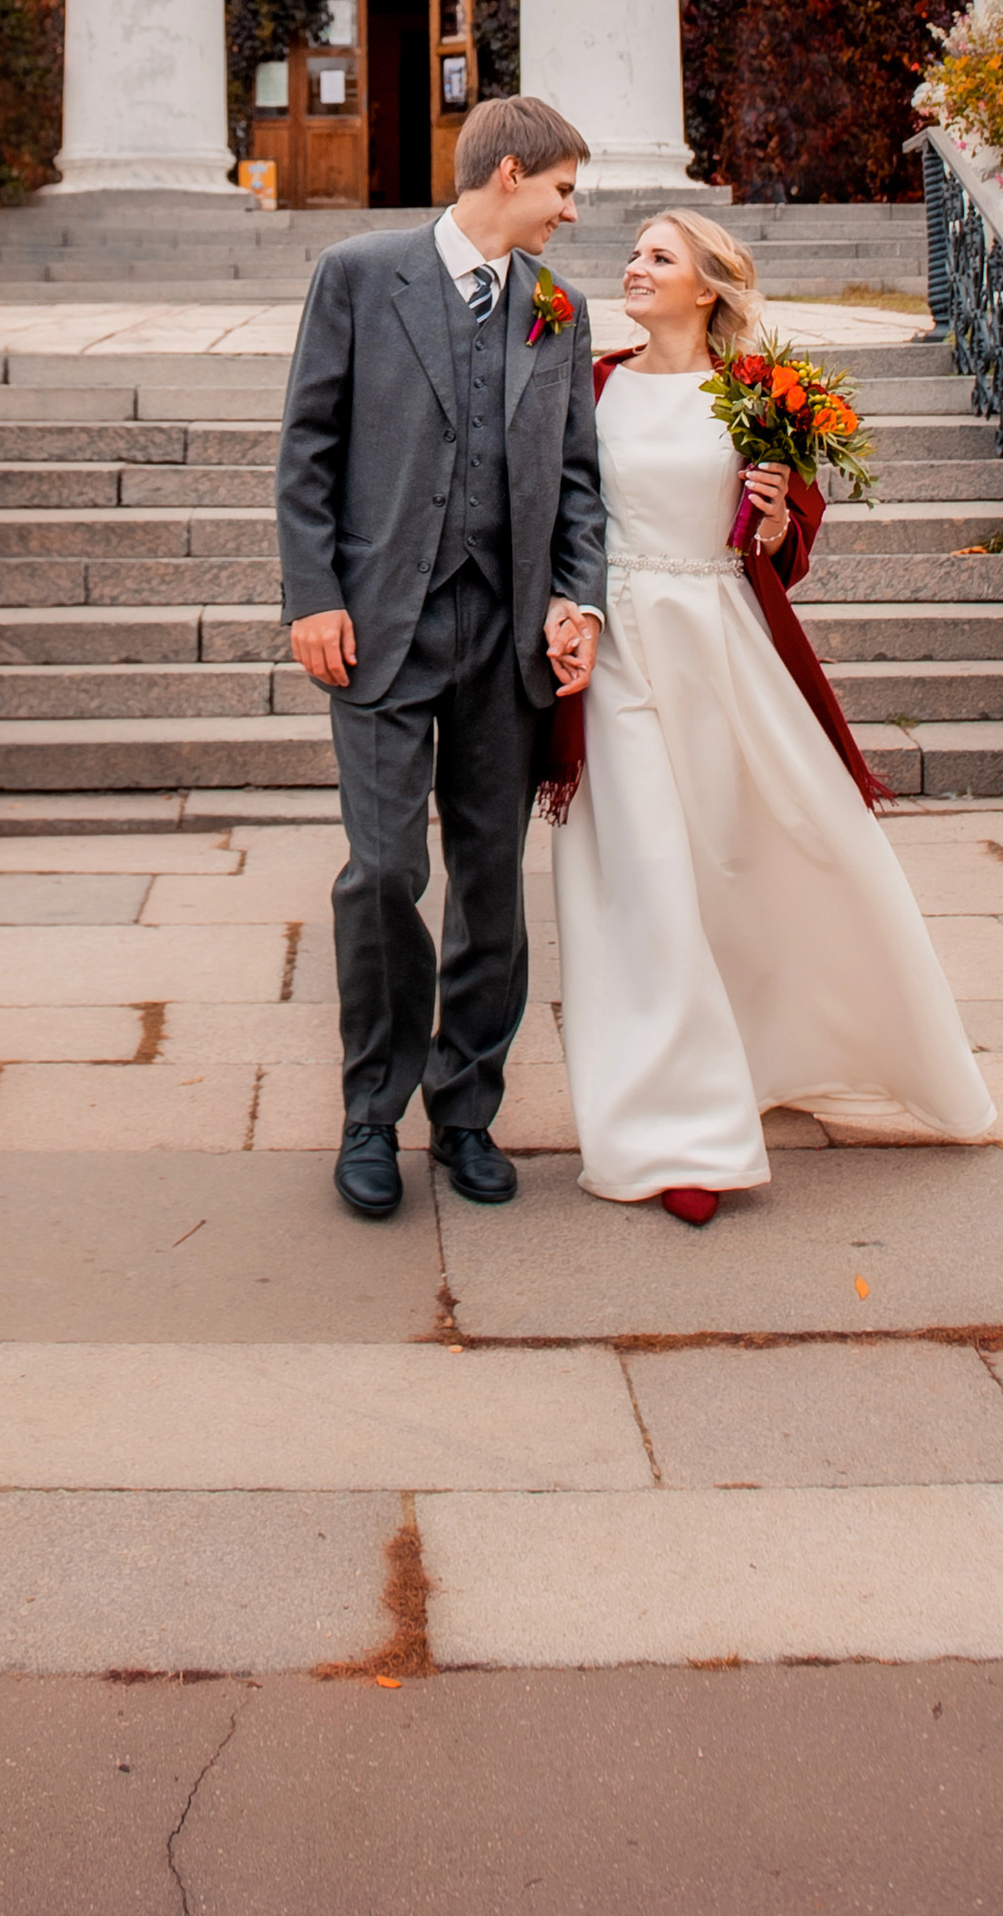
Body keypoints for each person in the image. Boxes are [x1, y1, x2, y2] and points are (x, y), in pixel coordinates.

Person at [551, 209, 995, 1223]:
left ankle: (807, 1042)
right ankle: (681, 1136)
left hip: (719, 639)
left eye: (658, 256)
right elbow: (554, 506)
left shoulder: (755, 395)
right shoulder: (594, 383)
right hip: (614, 643)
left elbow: (784, 528)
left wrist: (784, 509)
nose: (633, 266)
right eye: (633, 253)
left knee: (776, 849)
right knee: (645, 875)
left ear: (707, 285)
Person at [277, 92, 606, 1219]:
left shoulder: (557, 308)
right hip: (378, 626)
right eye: (563, 188)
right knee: (381, 874)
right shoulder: (361, 274)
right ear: (509, 173)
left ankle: (465, 1112)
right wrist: (312, 596)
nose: (571, 211)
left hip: (504, 636)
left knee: (490, 891)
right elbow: (307, 445)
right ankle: (371, 1112)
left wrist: (578, 600)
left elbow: (576, 480)